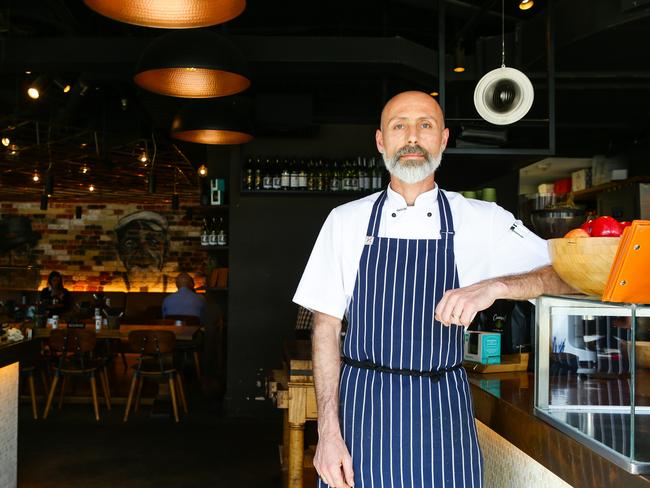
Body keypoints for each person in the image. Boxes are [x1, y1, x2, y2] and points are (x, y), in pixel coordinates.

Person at [293, 91, 574, 488]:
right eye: (399, 126)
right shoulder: (345, 222)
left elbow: (567, 275)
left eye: (425, 125)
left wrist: (493, 286)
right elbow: (324, 329)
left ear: (442, 140)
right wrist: (327, 433)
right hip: (362, 413)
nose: (412, 136)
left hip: (442, 413)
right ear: (381, 141)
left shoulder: (482, 220)